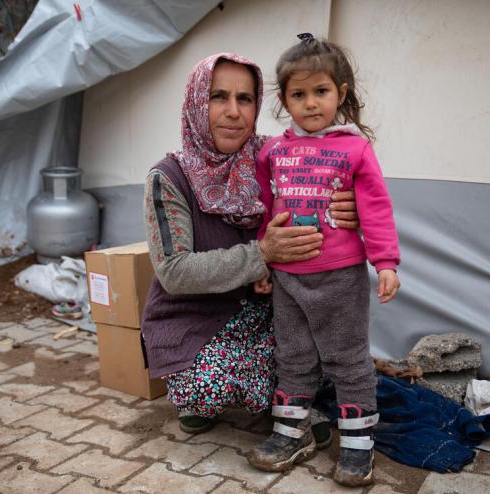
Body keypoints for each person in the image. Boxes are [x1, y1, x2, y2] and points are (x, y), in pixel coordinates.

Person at [140, 53, 358, 437]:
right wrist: (262, 254)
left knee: (323, 351)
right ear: (195, 102)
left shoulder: (278, 156)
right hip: (197, 322)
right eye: (218, 97)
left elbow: (337, 187)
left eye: (245, 99)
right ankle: (217, 401)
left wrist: (348, 208)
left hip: (269, 313)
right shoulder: (168, 177)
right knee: (210, 385)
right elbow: (174, 272)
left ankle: (276, 398)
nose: (233, 112)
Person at [246, 35, 401, 487]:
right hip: (288, 278)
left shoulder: (355, 149)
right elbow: (265, 208)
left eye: (321, 92)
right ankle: (290, 432)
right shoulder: (271, 152)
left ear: (342, 92)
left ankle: (357, 445)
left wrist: (386, 262)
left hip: (339, 278)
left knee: (348, 359)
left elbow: (375, 207)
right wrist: (263, 266)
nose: (311, 103)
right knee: (291, 356)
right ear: (283, 100)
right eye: (299, 94)